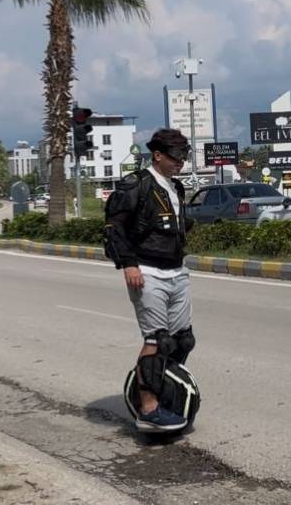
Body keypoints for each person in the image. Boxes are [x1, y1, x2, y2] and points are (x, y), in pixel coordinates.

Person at [103, 128, 196, 432]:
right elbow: (114, 227)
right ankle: (148, 408)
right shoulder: (136, 185)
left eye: (185, 156)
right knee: (157, 340)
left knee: (182, 340)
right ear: (157, 155)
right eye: (176, 157)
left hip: (176, 270)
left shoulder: (175, 187)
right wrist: (129, 265)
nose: (181, 162)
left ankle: (163, 388)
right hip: (147, 271)